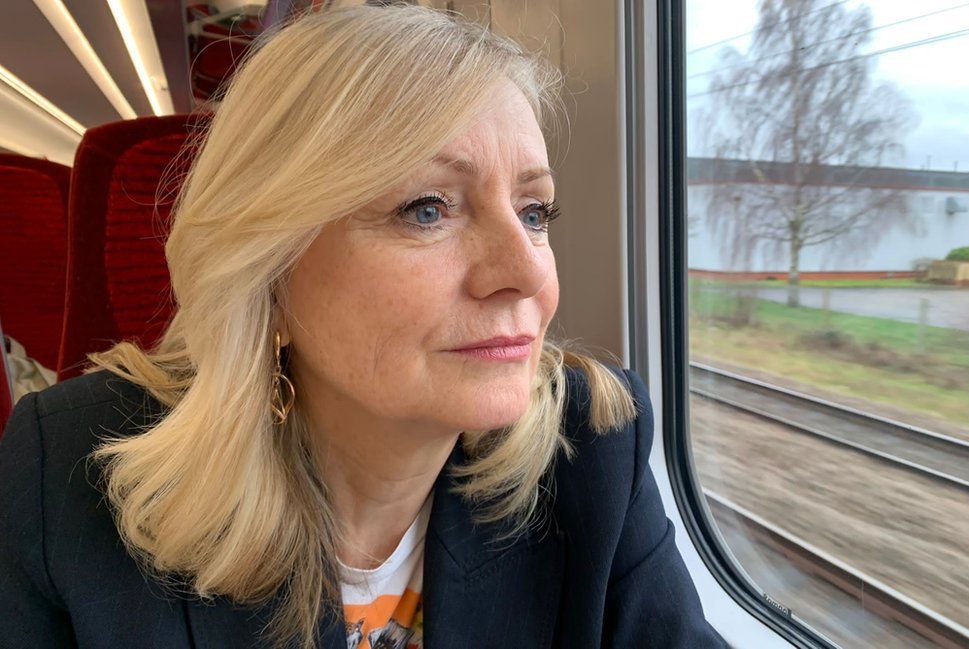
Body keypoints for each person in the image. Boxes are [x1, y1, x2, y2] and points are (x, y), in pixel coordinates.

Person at [0, 5, 726, 648]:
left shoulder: (593, 450)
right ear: (270, 270)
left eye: (535, 213)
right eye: (428, 208)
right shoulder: (62, 477)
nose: (528, 273)